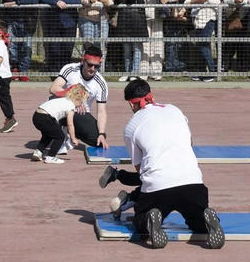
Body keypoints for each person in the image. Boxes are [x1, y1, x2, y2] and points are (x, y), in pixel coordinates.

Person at [95, 78, 223, 249]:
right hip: (193, 181)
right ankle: (205, 217)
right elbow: (189, 142)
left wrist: (126, 183)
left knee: (139, 218)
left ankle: (149, 219)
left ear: (132, 104)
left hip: (158, 188)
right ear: (151, 96)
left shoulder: (132, 126)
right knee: (196, 223)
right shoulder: (175, 109)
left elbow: (142, 171)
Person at [50, 44, 110, 151]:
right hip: (63, 106)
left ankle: (70, 131)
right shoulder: (70, 69)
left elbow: (101, 112)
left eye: (96, 66)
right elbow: (54, 88)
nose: (92, 69)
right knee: (48, 107)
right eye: (90, 65)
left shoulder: (101, 83)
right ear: (83, 61)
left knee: (97, 141)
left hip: (81, 113)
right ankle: (59, 134)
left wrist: (102, 134)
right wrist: (75, 100)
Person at [30, 83, 86, 165]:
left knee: (49, 134)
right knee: (60, 136)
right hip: (45, 117)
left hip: (36, 115)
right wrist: (73, 138)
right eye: (82, 102)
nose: (81, 104)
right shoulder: (71, 106)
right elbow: (70, 125)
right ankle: (51, 157)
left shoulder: (64, 99)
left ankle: (38, 151)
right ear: (78, 99)